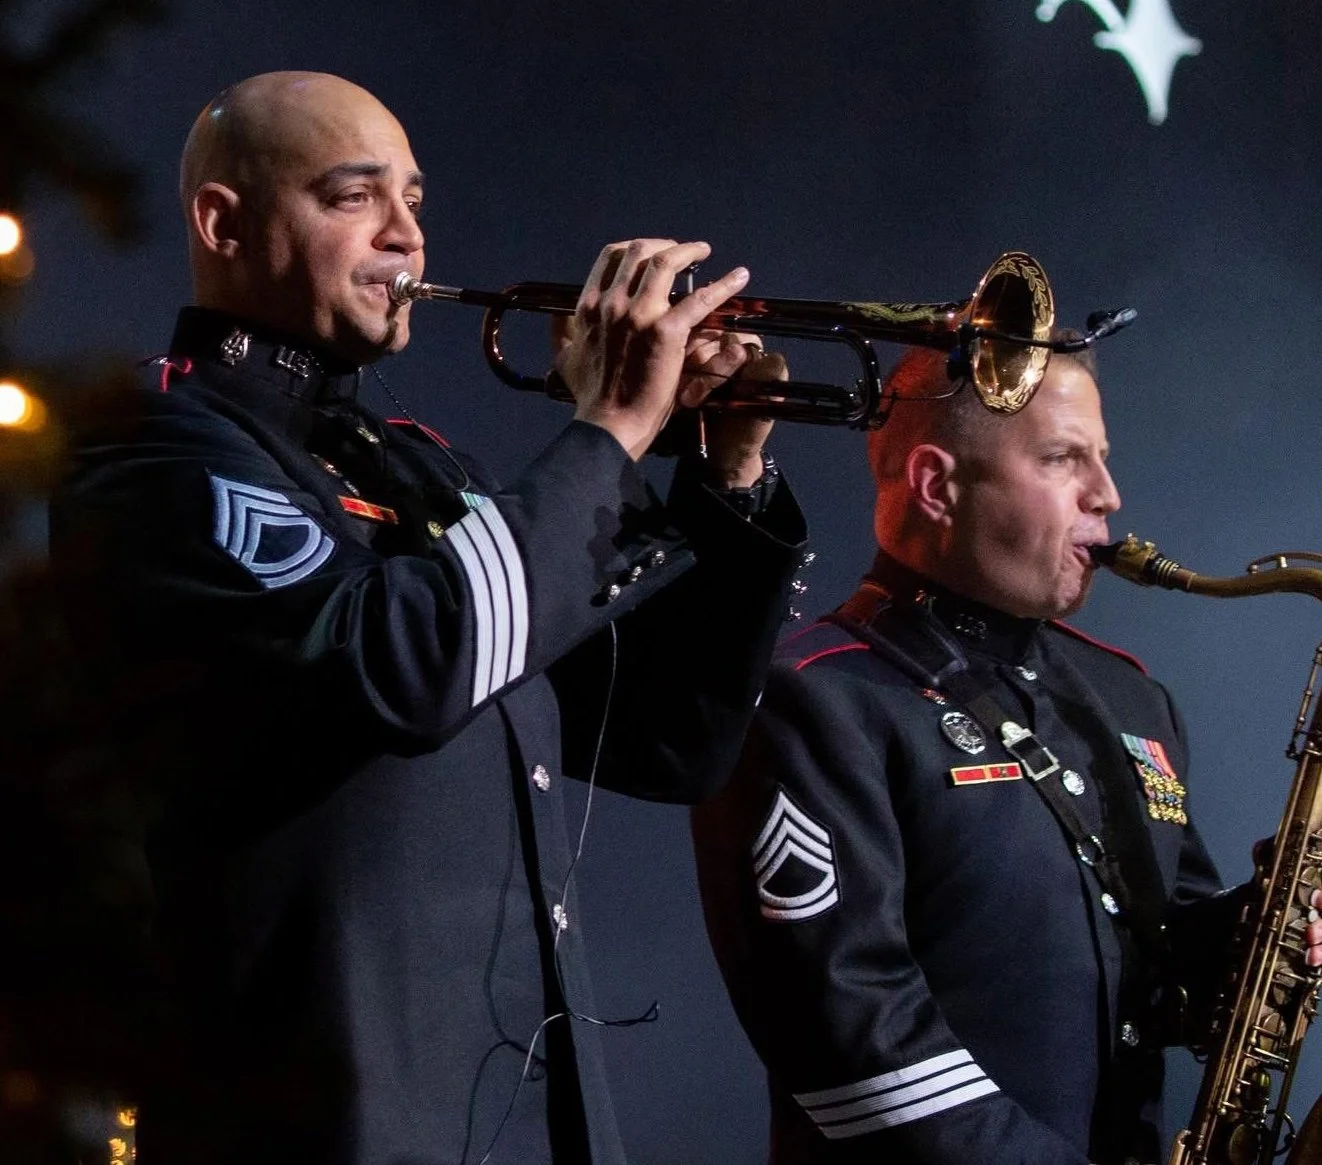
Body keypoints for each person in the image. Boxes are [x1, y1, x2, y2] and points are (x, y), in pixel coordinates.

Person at [45, 71, 807, 1164]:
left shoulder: (417, 464)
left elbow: (665, 735)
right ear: (224, 221)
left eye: (414, 199)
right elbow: (403, 663)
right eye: (355, 198)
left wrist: (724, 484)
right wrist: (607, 433)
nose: (407, 235)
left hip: (530, 1125)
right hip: (323, 1122)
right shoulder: (153, 444)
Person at [691, 342, 1322, 1162]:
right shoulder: (814, 698)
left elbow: (1156, 959)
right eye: (1063, 459)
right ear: (938, 485)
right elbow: (850, 1045)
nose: (1107, 495)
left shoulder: (1128, 697)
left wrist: (1268, 929)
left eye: (1102, 460)